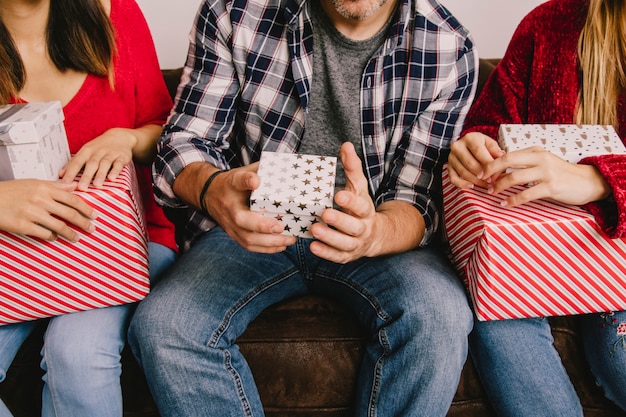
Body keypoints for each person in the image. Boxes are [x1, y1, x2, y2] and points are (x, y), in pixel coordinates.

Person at [127, 0, 478, 415]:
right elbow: (183, 142)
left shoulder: (447, 45)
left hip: (377, 237)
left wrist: (374, 233)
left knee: (438, 318)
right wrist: (213, 189)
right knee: (164, 327)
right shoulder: (233, 12)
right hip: (250, 230)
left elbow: (417, 200)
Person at [447, 0, 626, 415]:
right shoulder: (549, 25)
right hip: (534, 252)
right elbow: (490, 128)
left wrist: (599, 180)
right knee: (498, 320)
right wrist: (477, 148)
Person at [0, 0, 178, 416]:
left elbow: (172, 133)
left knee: (76, 353)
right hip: (15, 255)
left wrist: (128, 139)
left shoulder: (115, 14)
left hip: (123, 246)